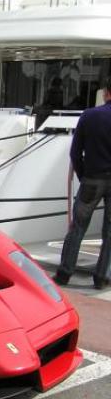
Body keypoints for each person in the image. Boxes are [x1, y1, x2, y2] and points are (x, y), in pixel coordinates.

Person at [54, 76, 111, 289]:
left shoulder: (90, 115)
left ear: (106, 93)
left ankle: (64, 274)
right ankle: (101, 278)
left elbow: (75, 152)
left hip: (92, 179)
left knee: (77, 227)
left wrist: (82, 174)